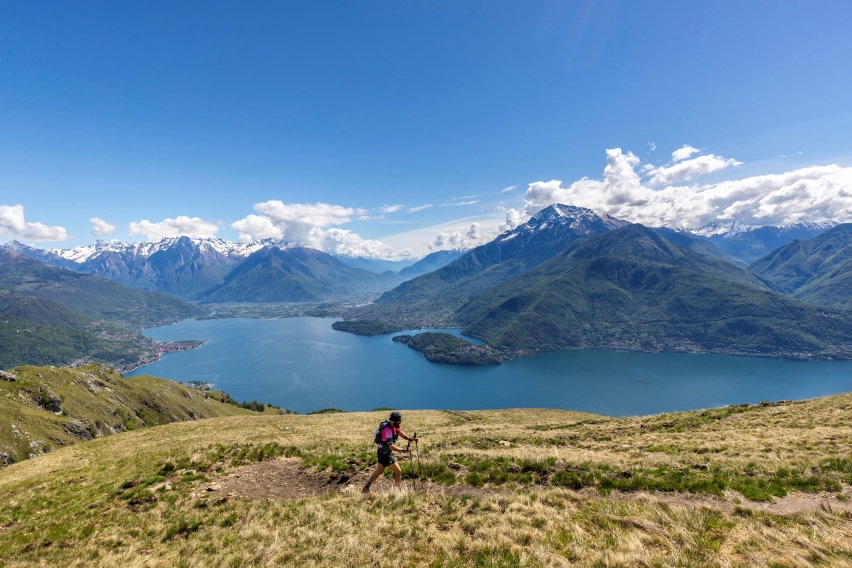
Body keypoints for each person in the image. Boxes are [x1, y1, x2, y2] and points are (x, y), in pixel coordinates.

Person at [362, 411, 417, 494]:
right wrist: (404, 450)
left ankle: (366, 488)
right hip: (385, 454)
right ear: (394, 421)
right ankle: (399, 491)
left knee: (379, 472)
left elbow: (400, 433)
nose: (400, 423)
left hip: (382, 452)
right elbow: (391, 446)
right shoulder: (388, 430)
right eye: (399, 421)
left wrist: (410, 439)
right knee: (398, 471)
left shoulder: (394, 427)